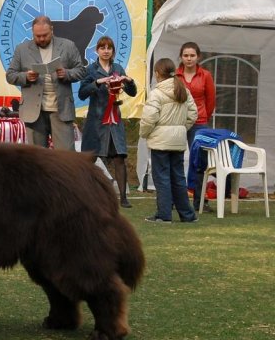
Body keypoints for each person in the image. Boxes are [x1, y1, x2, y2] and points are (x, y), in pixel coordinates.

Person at [5, 15, 85, 150]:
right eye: (37, 36)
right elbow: (10, 76)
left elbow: (81, 71)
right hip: (33, 112)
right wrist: (26, 77)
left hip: (61, 110)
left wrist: (67, 74)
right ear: (32, 33)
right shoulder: (22, 49)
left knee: (65, 158)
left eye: (45, 35)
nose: (41, 39)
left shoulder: (68, 46)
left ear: (52, 30)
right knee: (37, 160)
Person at [78, 36, 137, 208]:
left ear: (113, 51)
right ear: (97, 51)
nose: (105, 51)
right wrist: (97, 82)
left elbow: (131, 92)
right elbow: (82, 93)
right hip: (96, 120)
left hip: (114, 120)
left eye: (109, 48)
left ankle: (124, 197)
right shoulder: (91, 69)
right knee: (90, 158)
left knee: (119, 157)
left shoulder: (118, 68)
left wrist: (130, 82)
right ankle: (85, 194)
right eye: (102, 48)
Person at [140, 58, 198, 223]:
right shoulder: (183, 90)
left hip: (160, 141)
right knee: (178, 178)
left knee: (162, 178)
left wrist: (145, 133)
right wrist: (180, 128)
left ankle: (164, 215)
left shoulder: (156, 93)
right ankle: (187, 215)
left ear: (157, 74)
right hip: (178, 141)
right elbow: (193, 114)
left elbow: (149, 119)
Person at [175, 42, 216, 212]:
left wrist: (204, 117)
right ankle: (175, 200)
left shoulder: (205, 75)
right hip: (178, 122)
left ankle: (200, 201)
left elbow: (211, 100)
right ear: (181, 57)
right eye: (186, 55)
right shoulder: (175, 77)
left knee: (199, 162)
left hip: (199, 123)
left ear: (198, 57)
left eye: (192, 55)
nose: (189, 58)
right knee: (175, 159)